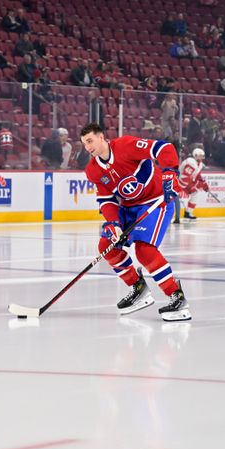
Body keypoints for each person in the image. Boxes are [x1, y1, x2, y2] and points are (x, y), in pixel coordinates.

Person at [80, 122, 191, 321]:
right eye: (84, 144)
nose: (88, 147)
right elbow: (106, 200)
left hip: (156, 202)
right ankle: (138, 288)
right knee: (107, 244)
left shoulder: (125, 145)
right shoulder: (93, 170)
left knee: (144, 250)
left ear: (101, 137)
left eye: (90, 141)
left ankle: (176, 296)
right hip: (128, 208)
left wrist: (170, 172)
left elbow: (163, 148)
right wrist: (113, 223)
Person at [178, 148, 210, 221]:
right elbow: (184, 177)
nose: (202, 157)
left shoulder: (200, 164)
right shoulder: (191, 162)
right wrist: (194, 185)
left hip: (186, 182)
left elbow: (197, 175)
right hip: (179, 181)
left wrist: (204, 184)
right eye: (200, 156)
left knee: (196, 193)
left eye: (202, 156)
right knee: (191, 194)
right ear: (195, 155)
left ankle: (188, 213)